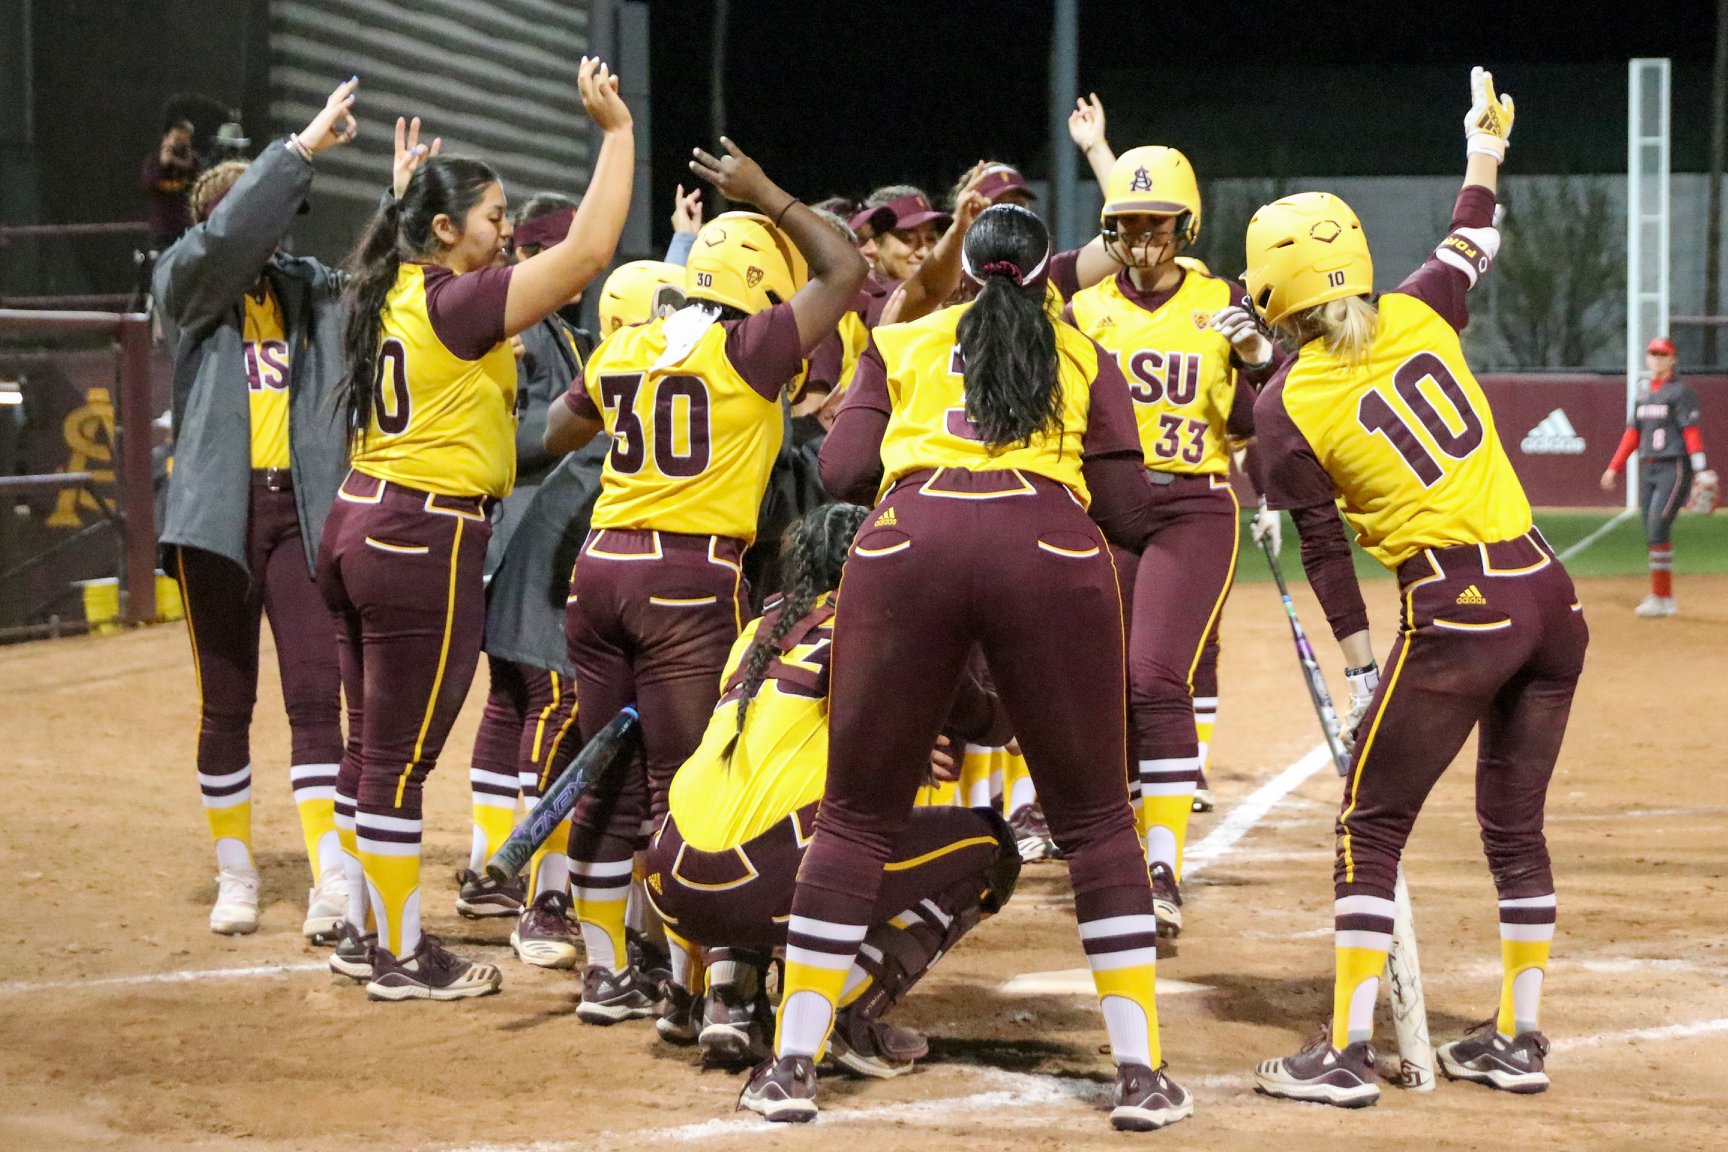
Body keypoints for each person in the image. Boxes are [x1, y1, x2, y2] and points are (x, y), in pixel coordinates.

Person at [741, 203, 1191, 1131]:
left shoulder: (905, 336)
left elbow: (840, 473)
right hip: (1050, 547)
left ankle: (791, 1065)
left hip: (911, 542)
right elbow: (1123, 507)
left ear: (968, 268)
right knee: (1100, 821)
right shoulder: (1079, 352)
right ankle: (1141, 1077)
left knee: (857, 816)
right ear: (1045, 275)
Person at [1248, 69, 1588, 1105]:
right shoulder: (1419, 307)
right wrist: (1483, 144)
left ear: (1269, 289)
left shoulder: (1282, 405)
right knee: (1513, 824)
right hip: (1548, 592)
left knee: (1369, 820)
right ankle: (1519, 1039)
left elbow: (1321, 546)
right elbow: (1471, 234)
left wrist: (1360, 662)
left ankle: (1344, 1051)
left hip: (1460, 608)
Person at [317, 56, 634, 1002]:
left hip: (359, 521)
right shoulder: (456, 304)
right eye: (494, 219)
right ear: (445, 231)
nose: (506, 234)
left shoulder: (391, 288)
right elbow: (583, 255)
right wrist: (616, 136)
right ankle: (403, 955)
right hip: (420, 535)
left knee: (375, 748)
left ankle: (364, 932)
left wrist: (402, 197)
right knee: (404, 758)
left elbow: (518, 426)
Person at [542, 136, 866, 1028]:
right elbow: (843, 265)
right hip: (688, 576)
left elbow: (552, 435)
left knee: (606, 778)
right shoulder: (753, 347)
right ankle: (701, 991)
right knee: (695, 782)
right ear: (763, 284)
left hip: (600, 567)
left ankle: (608, 975)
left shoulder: (631, 343)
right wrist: (769, 191)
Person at [645, 503, 1019, 1074]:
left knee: (759, 811)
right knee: (991, 850)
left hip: (669, 877)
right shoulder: (884, 629)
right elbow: (993, 724)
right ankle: (843, 1005)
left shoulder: (757, 631)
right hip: (761, 882)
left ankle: (731, 999)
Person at [153, 78, 357, 938]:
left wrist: (401, 197)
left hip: (296, 515)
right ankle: (236, 874)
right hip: (217, 521)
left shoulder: (311, 289)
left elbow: (380, 286)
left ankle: (329, 879)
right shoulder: (188, 284)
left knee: (317, 695)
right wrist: (298, 151)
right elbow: (228, 238)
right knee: (226, 701)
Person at [1065, 144, 1284, 937]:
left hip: (1194, 504)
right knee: (1104, 683)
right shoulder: (1083, 310)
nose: (1143, 242)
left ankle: (1160, 869)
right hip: (1106, 506)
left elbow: (1280, 412)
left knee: (1157, 675)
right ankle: (1114, 837)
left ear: (1185, 227)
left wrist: (1261, 356)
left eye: (1157, 226)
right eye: (1127, 226)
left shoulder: (1223, 299)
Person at [453, 191, 629, 969]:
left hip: (522, 527)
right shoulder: (520, 318)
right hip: (528, 524)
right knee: (549, 703)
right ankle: (539, 889)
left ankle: (493, 866)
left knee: (514, 700)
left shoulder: (544, 321)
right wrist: (567, 435)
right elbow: (509, 432)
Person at [1600, 336, 1716, 617]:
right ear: (1647, 358)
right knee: (1652, 531)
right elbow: (1633, 434)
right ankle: (1662, 597)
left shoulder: (1680, 392)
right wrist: (1614, 467)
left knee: (1657, 526)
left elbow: (1691, 432)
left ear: (1672, 359)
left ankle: (1661, 597)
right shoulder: (1641, 393)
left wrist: (1700, 469)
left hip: (1674, 466)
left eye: (1663, 354)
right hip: (1648, 467)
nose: (1658, 358)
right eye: (1653, 354)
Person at [143, 116, 204, 250]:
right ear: (166, 138)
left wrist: (178, 162)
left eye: (184, 140)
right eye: (177, 139)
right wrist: (163, 165)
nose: (180, 144)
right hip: (162, 229)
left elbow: (199, 184)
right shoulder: (154, 162)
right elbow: (149, 185)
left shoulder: (194, 162)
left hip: (186, 229)